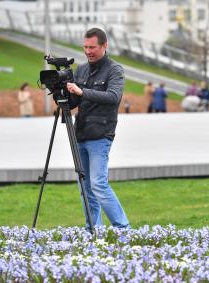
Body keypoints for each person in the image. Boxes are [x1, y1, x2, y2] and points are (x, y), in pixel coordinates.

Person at [65, 28, 129, 228]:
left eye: (92, 47)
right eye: (85, 47)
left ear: (104, 45)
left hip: (101, 135)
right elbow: (75, 101)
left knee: (98, 185)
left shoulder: (114, 69)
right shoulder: (82, 69)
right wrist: (63, 93)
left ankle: (123, 229)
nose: (88, 51)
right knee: (85, 188)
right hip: (80, 133)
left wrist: (82, 92)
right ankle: (93, 230)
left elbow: (113, 97)